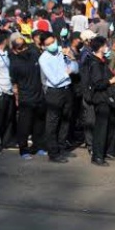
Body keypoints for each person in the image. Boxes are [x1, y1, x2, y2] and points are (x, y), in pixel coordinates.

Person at [39, 32, 79, 163]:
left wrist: (72, 58)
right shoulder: (43, 58)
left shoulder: (62, 52)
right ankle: (53, 152)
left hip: (67, 89)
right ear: (44, 46)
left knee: (66, 120)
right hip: (54, 92)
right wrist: (67, 72)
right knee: (52, 122)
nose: (52, 45)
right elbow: (54, 79)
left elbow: (76, 69)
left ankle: (62, 148)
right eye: (48, 44)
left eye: (52, 42)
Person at [9, 34, 47, 160]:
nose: (24, 49)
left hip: (39, 95)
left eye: (24, 46)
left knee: (39, 123)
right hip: (25, 98)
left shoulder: (34, 55)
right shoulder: (14, 63)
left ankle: (38, 146)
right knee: (24, 126)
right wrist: (17, 98)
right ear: (15, 49)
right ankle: (23, 149)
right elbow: (14, 84)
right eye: (20, 47)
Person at [87, 36, 115, 167]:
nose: (107, 47)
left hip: (107, 98)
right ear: (100, 47)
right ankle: (97, 156)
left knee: (108, 127)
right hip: (100, 99)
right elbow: (97, 83)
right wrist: (110, 81)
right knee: (100, 129)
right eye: (105, 45)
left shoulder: (102, 61)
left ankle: (104, 152)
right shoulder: (95, 63)